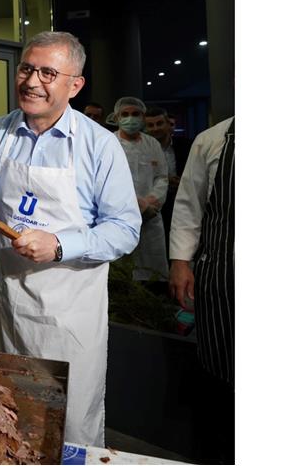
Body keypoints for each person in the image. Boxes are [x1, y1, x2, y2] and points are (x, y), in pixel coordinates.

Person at [0, 31, 140, 447]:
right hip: (9, 307)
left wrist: (60, 244)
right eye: (27, 69)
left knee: (69, 425)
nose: (32, 81)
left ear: (75, 84)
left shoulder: (99, 145)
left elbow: (124, 229)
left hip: (69, 315)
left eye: (48, 72)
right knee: (6, 414)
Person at [168, 117, 234, 463]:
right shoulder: (213, 140)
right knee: (219, 376)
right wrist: (180, 261)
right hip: (223, 277)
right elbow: (188, 206)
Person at [113, 97, 169, 287]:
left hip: (151, 217)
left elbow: (162, 176)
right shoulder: (109, 142)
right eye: (125, 114)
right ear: (116, 117)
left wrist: (152, 200)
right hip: (120, 216)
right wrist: (136, 203)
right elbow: (107, 180)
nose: (131, 118)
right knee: (122, 275)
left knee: (152, 275)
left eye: (135, 114)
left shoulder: (152, 143)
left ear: (143, 117)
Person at [144, 106, 192, 244]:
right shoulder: (141, 149)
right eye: (150, 125)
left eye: (159, 123)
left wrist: (182, 182)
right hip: (153, 207)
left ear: (168, 124)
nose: (155, 128)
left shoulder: (187, 146)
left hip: (181, 204)